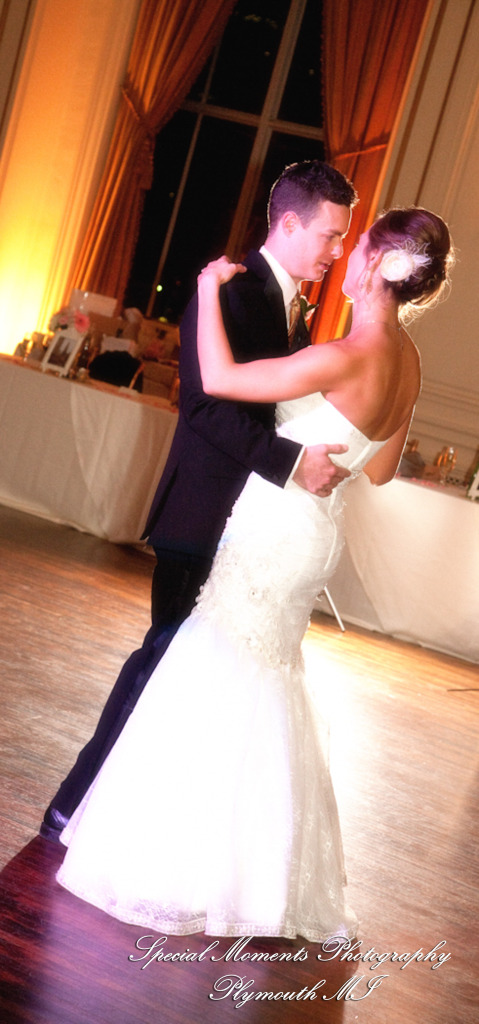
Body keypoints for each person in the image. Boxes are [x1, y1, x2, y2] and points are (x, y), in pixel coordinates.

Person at [56, 206, 454, 941]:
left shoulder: (349, 352)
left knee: (217, 674)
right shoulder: (407, 360)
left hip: (274, 534)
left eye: (357, 246)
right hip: (314, 536)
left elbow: (221, 377)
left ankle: (188, 864)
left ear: (376, 262)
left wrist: (208, 289)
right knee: (264, 681)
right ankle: (257, 870)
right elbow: (381, 469)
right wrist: (337, 445)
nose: (345, 254)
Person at [41, 160, 357, 842]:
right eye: (330, 235)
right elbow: (205, 408)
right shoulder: (231, 293)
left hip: (250, 528)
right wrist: (291, 463)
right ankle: (71, 803)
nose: (336, 251)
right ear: (289, 223)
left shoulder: (291, 307)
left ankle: (141, 822)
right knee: (159, 663)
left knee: (190, 680)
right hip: (203, 515)